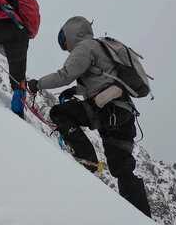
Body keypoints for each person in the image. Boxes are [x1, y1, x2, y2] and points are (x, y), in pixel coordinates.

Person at [26, 16, 152, 217]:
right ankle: (142, 218)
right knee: (122, 170)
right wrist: (75, 90)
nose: (65, 48)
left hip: (106, 109)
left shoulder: (84, 47)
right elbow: (99, 78)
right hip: (123, 113)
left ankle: (87, 159)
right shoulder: (101, 47)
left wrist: (37, 84)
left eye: (64, 41)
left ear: (71, 34)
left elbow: (65, 74)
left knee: (59, 113)